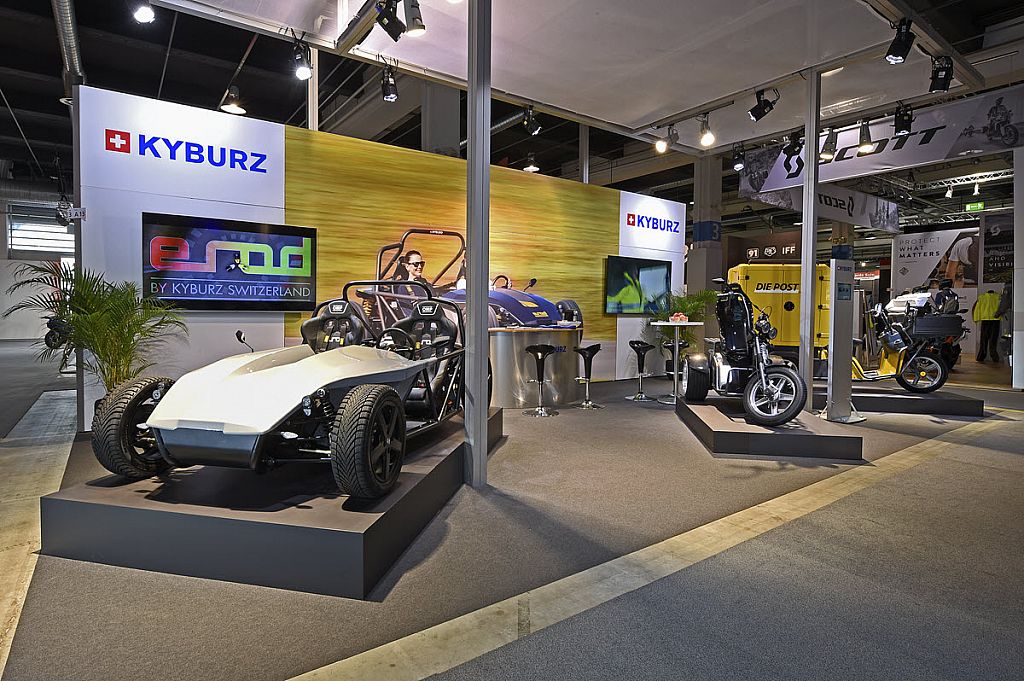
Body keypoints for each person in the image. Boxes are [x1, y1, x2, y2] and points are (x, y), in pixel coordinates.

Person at [972, 288, 1001, 362]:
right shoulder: (998, 297)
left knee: (984, 339)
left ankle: (982, 356)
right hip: (995, 320)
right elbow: (978, 308)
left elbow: (977, 309)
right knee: (993, 339)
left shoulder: (982, 297)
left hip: (986, 320)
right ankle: (994, 356)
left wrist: (976, 319)